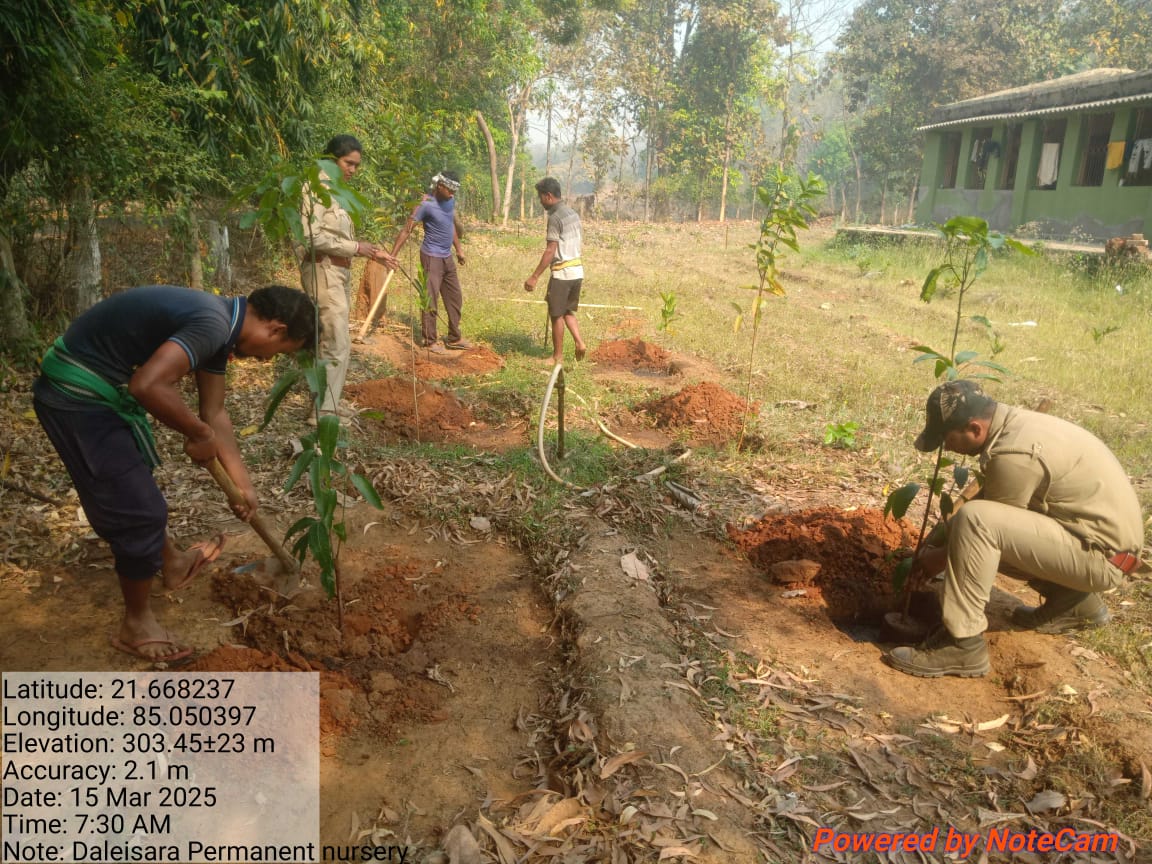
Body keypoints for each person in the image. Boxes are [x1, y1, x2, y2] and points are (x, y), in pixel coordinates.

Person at [33, 284, 317, 662]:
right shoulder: (212, 324)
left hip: (101, 391)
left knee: (134, 489)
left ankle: (173, 561)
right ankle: (136, 626)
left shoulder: (221, 329)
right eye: (278, 352)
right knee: (140, 511)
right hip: (76, 393)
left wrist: (243, 486)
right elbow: (147, 385)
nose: (267, 360)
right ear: (276, 330)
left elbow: (214, 413)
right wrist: (198, 434)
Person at [888, 379, 1147, 678]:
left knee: (977, 521)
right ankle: (1074, 602)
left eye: (947, 438)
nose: (946, 447)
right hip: (1096, 543)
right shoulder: (1014, 424)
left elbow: (984, 529)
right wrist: (937, 540)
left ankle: (962, 645)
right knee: (977, 522)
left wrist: (935, 559)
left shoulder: (1014, 453)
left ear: (974, 429)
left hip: (1102, 558)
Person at [300, 134, 394, 421]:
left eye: (356, 165)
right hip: (323, 271)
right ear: (331, 159)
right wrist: (356, 248)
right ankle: (323, 413)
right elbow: (310, 237)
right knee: (335, 342)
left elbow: (339, 237)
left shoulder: (337, 191)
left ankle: (328, 401)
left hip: (337, 272)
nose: (353, 170)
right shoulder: (315, 188)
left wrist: (371, 252)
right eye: (348, 163)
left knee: (332, 339)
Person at [388, 171, 470, 354]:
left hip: (447, 256)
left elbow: (450, 225)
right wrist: (392, 256)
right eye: (450, 190)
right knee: (430, 299)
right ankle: (429, 341)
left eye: (454, 192)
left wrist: (458, 249)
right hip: (431, 257)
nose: (452, 195)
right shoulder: (425, 204)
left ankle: (454, 338)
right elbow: (406, 230)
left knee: (455, 297)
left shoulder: (449, 201)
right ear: (440, 186)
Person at [524, 177, 588, 366]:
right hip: (577, 271)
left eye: (541, 197)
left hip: (562, 273)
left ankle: (557, 357)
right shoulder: (572, 213)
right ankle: (580, 342)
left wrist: (534, 276)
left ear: (549, 196)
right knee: (567, 310)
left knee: (556, 314)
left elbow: (550, 250)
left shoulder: (555, 218)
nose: (540, 201)